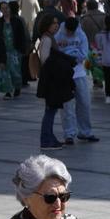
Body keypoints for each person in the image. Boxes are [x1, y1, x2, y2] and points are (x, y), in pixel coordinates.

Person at [54, 17, 98, 144]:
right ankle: (69, 133)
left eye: (72, 32)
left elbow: (84, 53)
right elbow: (56, 51)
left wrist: (72, 58)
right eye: (68, 31)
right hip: (64, 73)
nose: (70, 34)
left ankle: (85, 132)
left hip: (79, 72)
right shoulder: (58, 34)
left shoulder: (81, 35)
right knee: (67, 105)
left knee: (84, 103)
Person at [34, 16, 74, 151]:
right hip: (51, 81)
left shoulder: (50, 37)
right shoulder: (46, 39)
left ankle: (50, 138)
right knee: (50, 111)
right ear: (47, 24)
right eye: (53, 23)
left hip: (52, 80)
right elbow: (45, 60)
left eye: (57, 23)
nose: (56, 26)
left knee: (51, 109)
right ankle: (45, 140)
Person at [0, 1, 27, 99]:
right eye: (3, 8)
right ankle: (8, 91)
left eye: (7, 8)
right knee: (6, 71)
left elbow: (22, 36)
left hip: (15, 50)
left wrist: (22, 49)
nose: (5, 10)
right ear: (0, 10)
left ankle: (17, 87)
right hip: (4, 50)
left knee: (15, 71)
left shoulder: (17, 21)